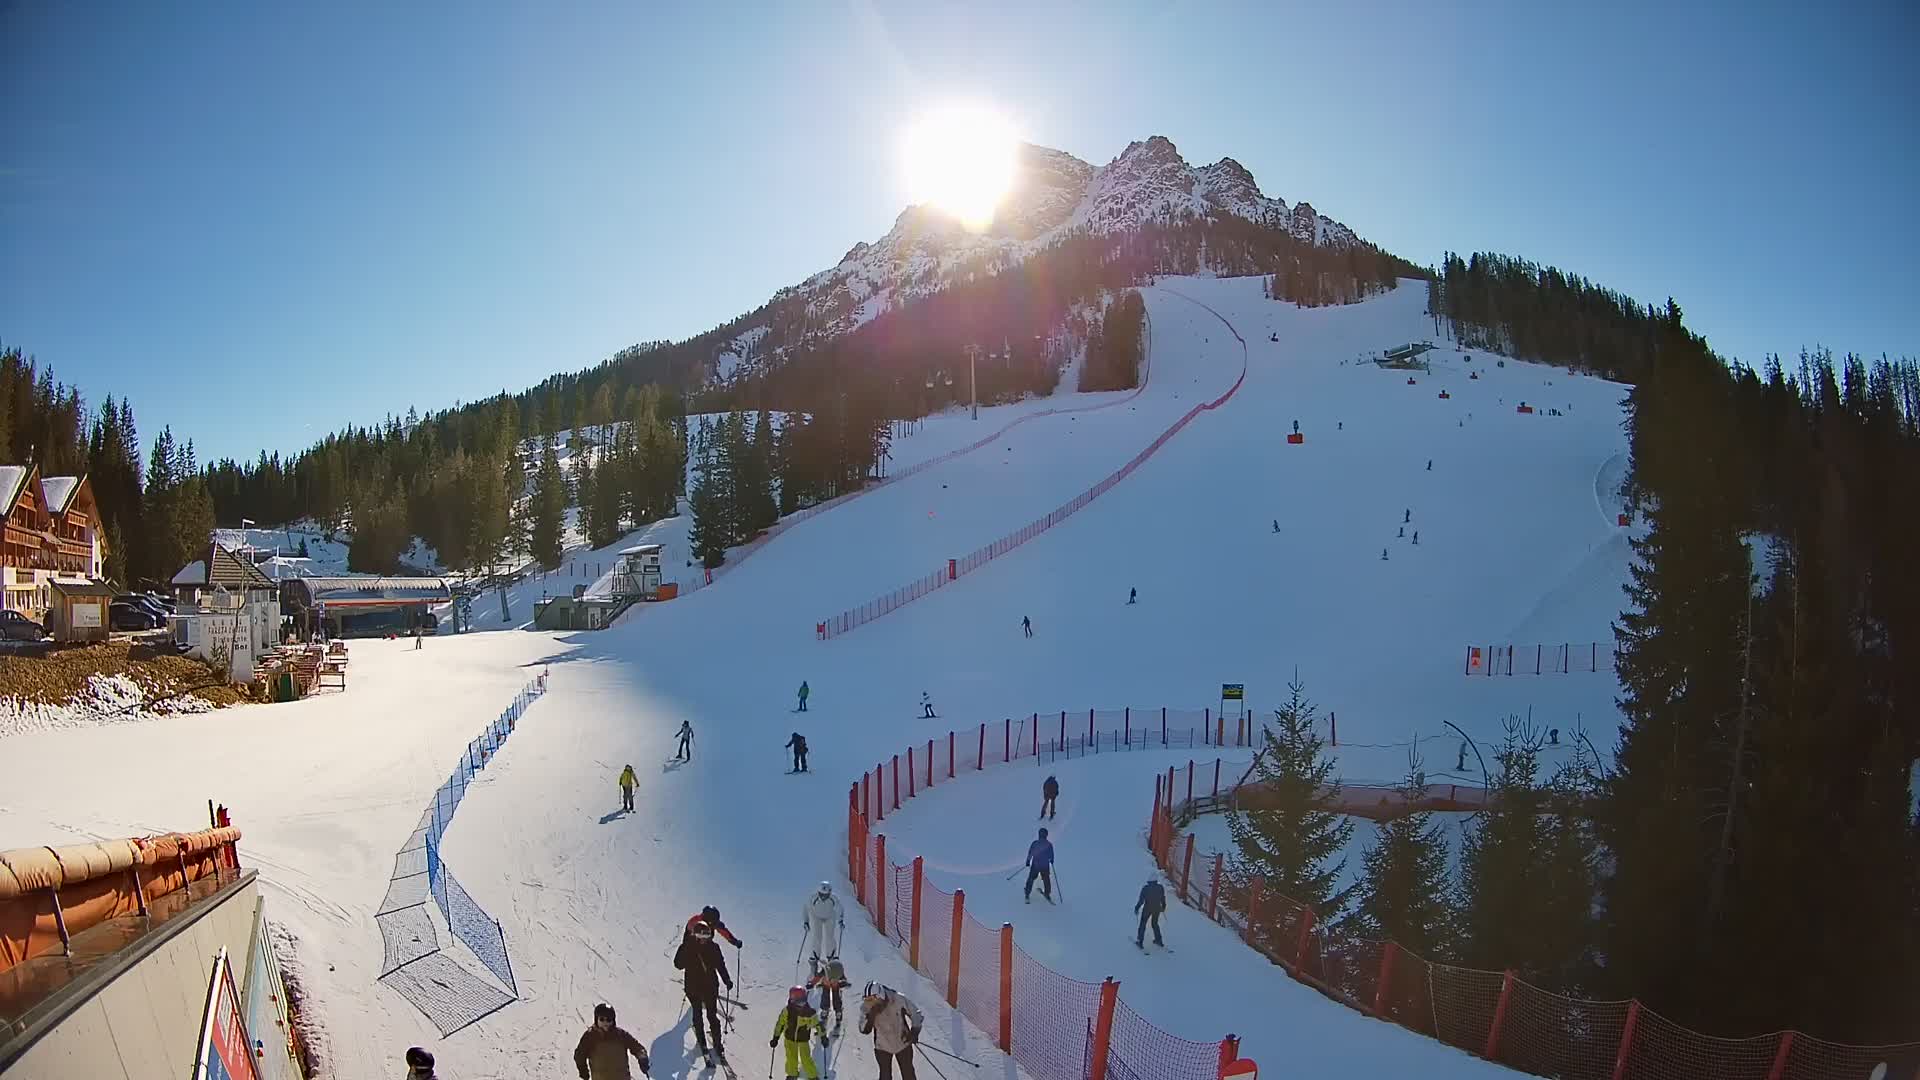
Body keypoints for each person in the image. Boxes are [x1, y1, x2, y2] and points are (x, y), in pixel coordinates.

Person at [673, 921, 732, 1063]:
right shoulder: (688, 947)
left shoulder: (713, 947)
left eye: (706, 936)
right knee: (698, 1013)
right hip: (695, 987)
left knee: (711, 1015)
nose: (704, 940)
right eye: (701, 936)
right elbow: (678, 964)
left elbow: (720, 965)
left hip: (708, 987)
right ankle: (703, 1041)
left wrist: (727, 980)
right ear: (695, 935)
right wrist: (687, 949)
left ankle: (717, 1044)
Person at [860, 983, 925, 1080]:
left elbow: (916, 1013)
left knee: (908, 1074)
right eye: (867, 1000)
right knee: (885, 1076)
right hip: (882, 1046)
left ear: (880, 996)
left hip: (903, 1043)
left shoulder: (897, 999)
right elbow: (863, 1029)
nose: (870, 1003)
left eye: (872, 999)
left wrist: (915, 1031)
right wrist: (871, 1016)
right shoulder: (866, 1007)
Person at [574, 1003, 651, 1079]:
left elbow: (637, 1047)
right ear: (596, 1019)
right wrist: (583, 1071)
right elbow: (580, 1055)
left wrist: (642, 1058)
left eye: (608, 1020)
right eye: (601, 1019)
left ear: (613, 1021)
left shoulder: (620, 1035)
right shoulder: (590, 1036)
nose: (605, 1023)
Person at [769, 986, 823, 1080]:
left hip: (803, 1039)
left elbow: (817, 1024)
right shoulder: (787, 1011)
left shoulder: (809, 1012)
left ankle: (812, 1075)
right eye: (798, 1002)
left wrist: (823, 1036)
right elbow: (780, 1023)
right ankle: (792, 1074)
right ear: (792, 1000)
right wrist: (775, 1037)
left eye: (803, 1001)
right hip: (790, 1038)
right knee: (791, 1057)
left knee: (805, 1058)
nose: (801, 1004)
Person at [804, 881, 843, 963]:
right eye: (821, 894)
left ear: (829, 893)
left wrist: (840, 920)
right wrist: (806, 922)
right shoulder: (813, 898)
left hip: (830, 916)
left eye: (825, 895)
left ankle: (831, 956)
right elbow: (806, 909)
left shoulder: (833, 898)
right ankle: (815, 956)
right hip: (816, 917)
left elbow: (839, 908)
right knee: (817, 936)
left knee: (830, 936)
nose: (823, 897)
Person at [808, 957, 851, 1028]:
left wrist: (844, 983)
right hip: (826, 985)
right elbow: (818, 977)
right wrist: (812, 984)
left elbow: (843, 979)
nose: (830, 981)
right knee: (825, 997)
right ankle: (825, 1010)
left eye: (832, 979)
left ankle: (838, 1012)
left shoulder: (838, 970)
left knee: (836, 997)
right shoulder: (825, 970)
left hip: (835, 985)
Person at [1134, 876, 1167, 948]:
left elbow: (1141, 900)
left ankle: (1140, 941)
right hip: (1157, 908)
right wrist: (1163, 906)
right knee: (1155, 923)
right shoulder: (1160, 887)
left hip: (1147, 909)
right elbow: (1163, 897)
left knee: (1143, 924)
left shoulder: (1146, 888)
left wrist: (1137, 908)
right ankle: (1159, 940)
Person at [1024, 827, 1055, 903]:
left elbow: (1030, 852)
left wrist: (1028, 861)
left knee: (1031, 878)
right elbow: (1051, 855)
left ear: (1039, 835)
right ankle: (1047, 893)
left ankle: (1027, 893)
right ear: (1046, 835)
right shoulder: (1049, 844)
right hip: (1045, 865)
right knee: (1046, 879)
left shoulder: (1035, 843)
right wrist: (1051, 860)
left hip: (1036, 865)